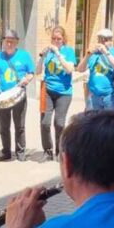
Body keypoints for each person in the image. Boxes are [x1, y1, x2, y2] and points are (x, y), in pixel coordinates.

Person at [0, 29, 35, 161]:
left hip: (19, 95)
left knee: (19, 125)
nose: (9, 44)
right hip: (3, 96)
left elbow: (31, 72)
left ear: (17, 43)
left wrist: (27, 79)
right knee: (4, 127)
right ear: (3, 42)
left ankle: (20, 152)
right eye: (7, 41)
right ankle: (6, 152)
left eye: (12, 42)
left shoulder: (24, 56)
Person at [39, 26, 77, 161]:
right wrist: (41, 58)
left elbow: (69, 69)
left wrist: (58, 54)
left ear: (64, 39)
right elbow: (38, 71)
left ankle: (60, 151)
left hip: (64, 92)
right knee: (45, 122)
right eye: (54, 39)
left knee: (59, 123)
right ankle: (47, 151)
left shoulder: (69, 51)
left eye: (59, 39)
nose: (56, 41)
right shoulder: (48, 53)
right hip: (48, 90)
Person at [79, 28, 114, 111]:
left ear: (111, 41)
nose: (102, 43)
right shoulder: (93, 54)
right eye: (100, 40)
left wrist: (106, 53)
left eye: (105, 40)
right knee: (94, 123)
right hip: (94, 96)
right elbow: (80, 69)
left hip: (111, 96)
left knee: (110, 123)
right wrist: (88, 55)